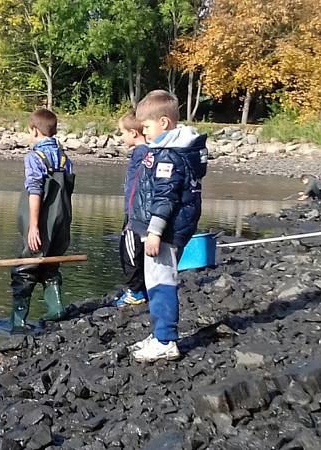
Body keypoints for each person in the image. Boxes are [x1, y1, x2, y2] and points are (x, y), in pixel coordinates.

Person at [127, 90, 208, 362]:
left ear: (164, 123)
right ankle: (161, 333)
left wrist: (154, 232)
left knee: (161, 282)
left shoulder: (169, 156)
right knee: (156, 280)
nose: (144, 132)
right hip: (171, 228)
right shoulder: (176, 150)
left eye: (146, 126)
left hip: (165, 231)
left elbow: (165, 198)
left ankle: (166, 340)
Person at [10, 108, 76, 334]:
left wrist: (34, 226)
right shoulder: (66, 158)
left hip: (42, 220)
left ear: (34, 130)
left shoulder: (34, 157)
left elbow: (35, 191)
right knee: (51, 263)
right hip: (63, 219)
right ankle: (56, 309)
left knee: (25, 267)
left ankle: (18, 323)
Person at [110, 110, 150, 307]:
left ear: (134, 133)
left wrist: (132, 214)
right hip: (138, 212)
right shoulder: (145, 153)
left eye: (122, 133)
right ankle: (139, 288)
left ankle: (136, 291)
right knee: (135, 252)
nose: (121, 137)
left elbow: (138, 187)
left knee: (129, 253)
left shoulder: (142, 154)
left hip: (135, 214)